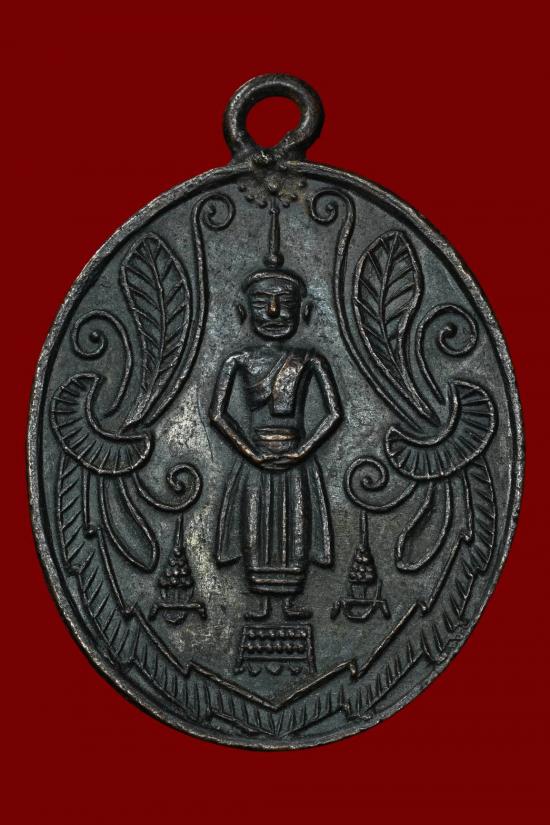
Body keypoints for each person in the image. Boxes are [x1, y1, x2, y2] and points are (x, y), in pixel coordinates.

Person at [209, 242, 342, 621]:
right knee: (255, 525)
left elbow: (334, 413)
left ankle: (290, 602)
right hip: (254, 456)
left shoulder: (309, 359)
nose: (271, 311)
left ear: (303, 310)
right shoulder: (239, 360)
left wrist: (303, 451)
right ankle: (262, 603)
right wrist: (249, 452)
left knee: (295, 526)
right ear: (243, 310)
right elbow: (217, 415)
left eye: (283, 302)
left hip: (295, 457)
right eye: (261, 302)